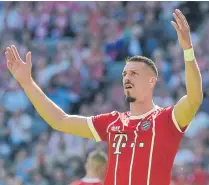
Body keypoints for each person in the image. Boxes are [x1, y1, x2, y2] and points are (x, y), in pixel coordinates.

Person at [5, 9, 202, 185]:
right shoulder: (112, 122)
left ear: (152, 81)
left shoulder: (167, 119)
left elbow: (194, 98)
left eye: (134, 73)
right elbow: (60, 120)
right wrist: (27, 84)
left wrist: (188, 51)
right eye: (124, 74)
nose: (127, 78)